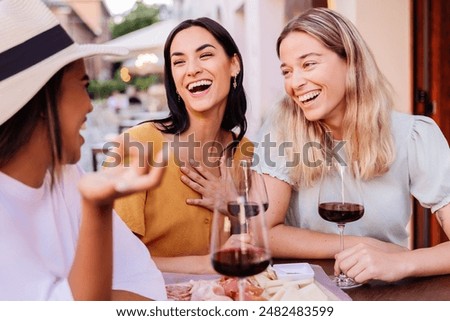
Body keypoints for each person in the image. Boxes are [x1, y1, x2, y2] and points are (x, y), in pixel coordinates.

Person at [254, 8, 450, 283]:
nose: (295, 82)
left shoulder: (414, 135)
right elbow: (261, 232)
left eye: (308, 64)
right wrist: (356, 245)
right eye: (287, 71)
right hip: (306, 291)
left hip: (387, 293)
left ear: (351, 62)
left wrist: (401, 261)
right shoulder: (281, 131)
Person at [0, 0, 167, 300]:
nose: (90, 104)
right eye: (83, 85)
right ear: (44, 101)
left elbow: (144, 282)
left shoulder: (66, 175)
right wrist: (97, 206)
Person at [111, 17, 253, 274]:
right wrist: (206, 264)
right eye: (179, 62)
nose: (192, 69)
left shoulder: (246, 152)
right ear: (174, 81)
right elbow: (116, 262)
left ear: (234, 65)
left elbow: (253, 243)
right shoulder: (139, 145)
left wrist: (233, 207)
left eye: (205, 55)